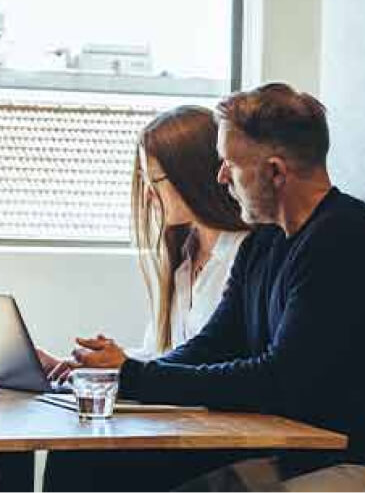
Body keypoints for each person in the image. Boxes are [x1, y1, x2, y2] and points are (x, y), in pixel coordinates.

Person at [66, 83, 365, 491]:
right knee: (95, 465)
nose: (220, 177)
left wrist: (137, 378)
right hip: (312, 458)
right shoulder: (264, 242)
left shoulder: (345, 236)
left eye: (230, 164)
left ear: (275, 172)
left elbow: (278, 380)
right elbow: (214, 344)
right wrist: (123, 377)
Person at [37, 106, 251, 379]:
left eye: (155, 180)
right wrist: (83, 368)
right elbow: (162, 358)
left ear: (191, 176)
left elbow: (210, 368)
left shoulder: (245, 257)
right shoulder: (184, 258)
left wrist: (124, 368)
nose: (149, 195)